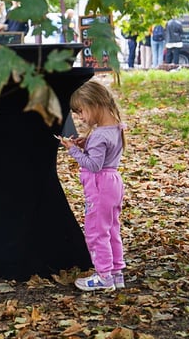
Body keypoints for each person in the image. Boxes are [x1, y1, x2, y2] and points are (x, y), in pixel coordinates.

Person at [58, 80, 126, 292]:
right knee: (112, 229)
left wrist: (73, 149)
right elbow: (105, 155)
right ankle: (116, 272)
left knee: (96, 231)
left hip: (100, 187)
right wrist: (86, 144)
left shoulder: (98, 135)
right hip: (113, 183)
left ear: (94, 104)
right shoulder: (115, 127)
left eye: (81, 112)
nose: (80, 118)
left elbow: (93, 165)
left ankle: (103, 276)